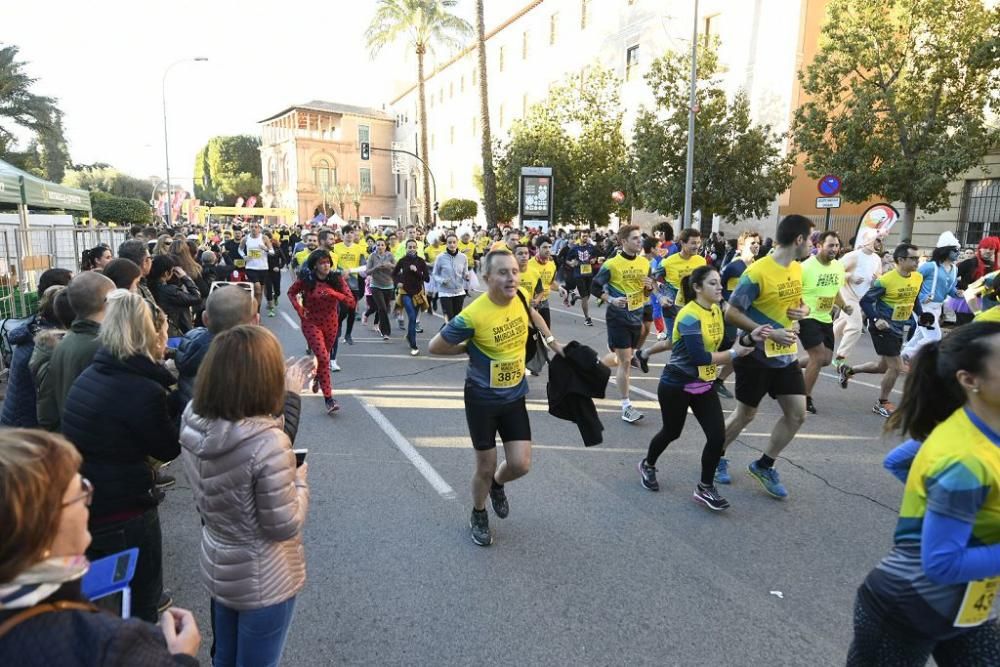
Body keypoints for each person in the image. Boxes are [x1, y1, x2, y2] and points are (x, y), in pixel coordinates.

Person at [847, 321, 1000, 665]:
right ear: (969, 380)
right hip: (908, 607)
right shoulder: (963, 463)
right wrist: (956, 501)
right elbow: (942, 564)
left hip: (968, 608)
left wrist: (962, 510)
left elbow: (898, 461)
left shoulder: (976, 428)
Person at [0, 430, 201, 666]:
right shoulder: (107, 644)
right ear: (43, 526)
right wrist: (180, 657)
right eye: (79, 492)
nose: (88, 497)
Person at [180, 325, 309, 667]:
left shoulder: (193, 420)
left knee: (224, 656)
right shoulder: (268, 443)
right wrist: (299, 481)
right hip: (264, 573)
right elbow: (283, 524)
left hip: (219, 558)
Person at [60, 290, 180, 623]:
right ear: (150, 333)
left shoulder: (93, 374)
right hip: (125, 510)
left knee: (104, 603)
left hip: (93, 501)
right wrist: (179, 402)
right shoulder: (143, 389)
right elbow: (167, 447)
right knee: (142, 606)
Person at [429, 250, 563, 546]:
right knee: (485, 467)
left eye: (514, 271)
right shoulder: (473, 315)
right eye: (503, 272)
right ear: (487, 278)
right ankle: (478, 512)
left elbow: (532, 313)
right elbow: (435, 346)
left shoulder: (520, 297)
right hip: (482, 400)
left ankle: (498, 486)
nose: (511, 277)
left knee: (520, 464)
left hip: (515, 395)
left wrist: (553, 342)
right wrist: (467, 349)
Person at [637, 266, 768, 510]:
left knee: (717, 437)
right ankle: (648, 464)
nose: (720, 287)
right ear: (698, 288)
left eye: (720, 282)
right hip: (677, 384)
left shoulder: (717, 310)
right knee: (671, 432)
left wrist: (752, 336)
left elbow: (729, 343)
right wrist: (734, 353)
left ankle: (705, 487)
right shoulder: (689, 316)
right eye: (713, 283)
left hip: (704, 385)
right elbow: (700, 357)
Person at [716, 214, 814, 499]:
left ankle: (764, 464)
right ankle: (717, 456)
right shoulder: (757, 272)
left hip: (785, 356)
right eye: (811, 238)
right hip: (755, 355)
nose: (813, 244)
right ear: (799, 239)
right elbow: (731, 311)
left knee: (797, 415)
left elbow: (795, 303)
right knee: (746, 414)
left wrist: (802, 311)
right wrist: (766, 332)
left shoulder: (796, 269)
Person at [840, 243, 925, 417]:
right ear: (901, 260)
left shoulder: (917, 277)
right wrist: (876, 319)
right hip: (883, 328)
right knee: (896, 366)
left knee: (882, 367)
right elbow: (865, 301)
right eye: (913, 258)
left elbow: (914, 298)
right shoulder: (885, 280)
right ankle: (882, 402)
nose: (917, 261)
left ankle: (849, 370)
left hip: (899, 326)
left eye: (918, 258)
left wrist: (922, 315)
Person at [37, 272, 115, 432]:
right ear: (107, 302)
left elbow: (48, 403)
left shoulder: (61, 343)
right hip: (95, 439)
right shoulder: (102, 346)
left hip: (70, 433)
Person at [593, 225, 652, 424]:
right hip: (617, 317)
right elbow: (594, 287)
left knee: (621, 359)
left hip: (636, 316)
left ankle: (594, 367)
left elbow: (645, 294)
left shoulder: (645, 263)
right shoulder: (612, 264)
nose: (639, 241)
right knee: (626, 361)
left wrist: (648, 289)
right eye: (635, 238)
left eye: (640, 238)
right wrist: (611, 300)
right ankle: (626, 406)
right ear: (623, 241)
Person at [1, 269, 73, 428]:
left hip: (17, 420)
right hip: (26, 429)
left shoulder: (35, 327)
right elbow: (50, 406)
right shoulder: (48, 343)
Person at [288, 249, 355, 414]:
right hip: (311, 322)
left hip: (331, 323)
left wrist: (334, 293)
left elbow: (351, 302)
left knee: (323, 359)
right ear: (315, 265)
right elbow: (291, 292)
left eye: (327, 262)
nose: (325, 265)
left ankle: (317, 376)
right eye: (321, 263)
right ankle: (329, 399)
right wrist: (299, 308)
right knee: (324, 358)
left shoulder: (336, 279)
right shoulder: (307, 279)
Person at [798, 231, 848, 415]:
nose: (834, 249)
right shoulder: (805, 267)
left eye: (836, 245)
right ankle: (804, 397)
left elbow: (834, 291)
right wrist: (795, 316)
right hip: (807, 316)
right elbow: (794, 293)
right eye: (830, 245)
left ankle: (791, 367)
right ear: (819, 246)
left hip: (826, 318)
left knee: (826, 360)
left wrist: (844, 306)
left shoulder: (838, 267)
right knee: (818, 357)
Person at [902, 232, 963, 361]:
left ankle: (904, 355)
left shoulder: (954, 269)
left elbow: (950, 288)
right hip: (922, 306)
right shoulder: (930, 266)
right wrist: (923, 295)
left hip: (937, 307)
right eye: (956, 250)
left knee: (920, 335)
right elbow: (912, 281)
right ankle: (910, 356)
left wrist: (957, 293)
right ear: (945, 250)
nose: (958, 253)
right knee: (934, 336)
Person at [148, 255, 201, 339]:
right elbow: (196, 297)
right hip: (173, 333)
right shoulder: (170, 291)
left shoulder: (147, 286)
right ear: (166, 273)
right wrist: (185, 277)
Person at [393, 239, 430, 356]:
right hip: (405, 292)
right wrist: (397, 282)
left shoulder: (421, 261)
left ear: (417, 248)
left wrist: (417, 271)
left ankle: (409, 336)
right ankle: (414, 345)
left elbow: (427, 278)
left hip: (418, 293)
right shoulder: (402, 260)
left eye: (414, 247)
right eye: (410, 247)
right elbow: (394, 274)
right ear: (406, 248)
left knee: (413, 319)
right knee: (412, 317)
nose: (412, 249)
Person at [332, 225, 367, 345]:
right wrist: (341, 272)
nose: (349, 234)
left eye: (351, 232)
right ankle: (339, 325)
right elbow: (332, 264)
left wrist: (350, 271)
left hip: (354, 284)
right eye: (346, 232)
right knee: (343, 310)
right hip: (339, 283)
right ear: (342, 235)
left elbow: (364, 266)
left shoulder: (359, 249)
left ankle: (348, 335)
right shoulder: (335, 248)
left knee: (352, 311)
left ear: (354, 234)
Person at [432, 233, 470, 323]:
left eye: (454, 242)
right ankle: (441, 336)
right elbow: (434, 274)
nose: (452, 244)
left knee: (456, 321)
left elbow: (465, 272)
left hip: (459, 292)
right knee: (448, 320)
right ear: (446, 244)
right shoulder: (440, 257)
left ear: (457, 243)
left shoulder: (463, 257)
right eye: (449, 242)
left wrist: (466, 276)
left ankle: (444, 336)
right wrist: (442, 280)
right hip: (445, 293)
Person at [564, 230, 599, 326]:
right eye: (583, 236)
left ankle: (575, 297)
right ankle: (587, 318)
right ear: (580, 237)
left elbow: (596, 257)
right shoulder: (575, 248)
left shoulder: (591, 247)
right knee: (584, 297)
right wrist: (571, 263)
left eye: (587, 236)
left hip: (589, 274)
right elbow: (567, 260)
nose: (585, 238)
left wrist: (594, 260)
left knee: (587, 296)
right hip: (578, 275)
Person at [240, 222, 275, 314]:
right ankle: (253, 309)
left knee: (259, 292)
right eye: (252, 227)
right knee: (257, 287)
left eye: (256, 227)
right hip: (251, 267)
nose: (254, 228)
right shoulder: (246, 238)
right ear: (249, 228)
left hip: (263, 268)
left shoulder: (264, 238)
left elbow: (272, 252)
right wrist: (244, 256)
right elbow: (240, 249)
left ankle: (257, 311)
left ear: (259, 229)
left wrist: (265, 249)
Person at [366, 238, 397, 339]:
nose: (380, 247)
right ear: (375, 246)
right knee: (382, 308)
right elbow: (367, 271)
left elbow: (397, 268)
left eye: (382, 245)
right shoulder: (372, 256)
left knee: (386, 308)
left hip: (388, 285)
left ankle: (381, 325)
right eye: (378, 245)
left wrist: (390, 266)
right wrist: (376, 267)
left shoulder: (390, 255)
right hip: (376, 285)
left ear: (385, 246)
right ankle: (386, 332)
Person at [117, 240, 156, 305]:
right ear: (144, 262)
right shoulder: (135, 290)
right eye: (150, 258)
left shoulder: (118, 283)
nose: (152, 261)